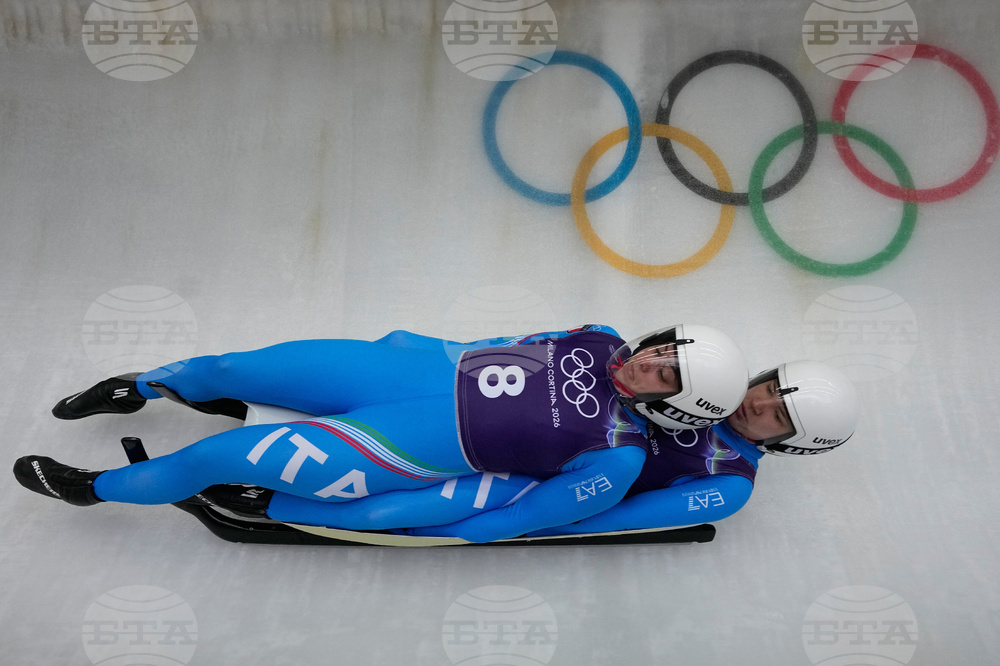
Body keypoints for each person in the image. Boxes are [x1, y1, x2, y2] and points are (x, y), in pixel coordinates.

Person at [13, 324, 751, 543]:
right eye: (663, 349)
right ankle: (137, 387)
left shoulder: (616, 459)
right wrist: (420, 346)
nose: (650, 361)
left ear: (675, 410)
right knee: (232, 365)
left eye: (665, 375)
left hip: (405, 448)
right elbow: (506, 341)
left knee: (214, 457)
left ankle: (92, 490)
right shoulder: (600, 337)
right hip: (394, 376)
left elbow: (529, 518)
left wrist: (449, 524)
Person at [190, 358, 861, 538]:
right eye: (770, 389)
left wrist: (521, 522)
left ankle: (273, 506)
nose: (758, 404)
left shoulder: (732, 482)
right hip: (510, 424)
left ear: (792, 445)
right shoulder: (705, 377)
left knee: (400, 510)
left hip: (542, 480)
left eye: (776, 416)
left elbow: (609, 517)